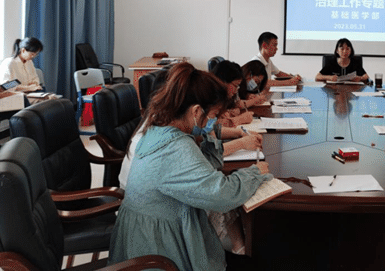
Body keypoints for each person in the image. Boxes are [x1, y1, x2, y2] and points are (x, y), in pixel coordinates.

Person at [109, 62, 271, 271]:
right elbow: (220, 195)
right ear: (196, 111)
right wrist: (255, 173)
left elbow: (205, 165)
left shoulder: (159, 128)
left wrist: (208, 133)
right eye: (212, 116)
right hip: (156, 253)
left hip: (145, 238)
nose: (213, 122)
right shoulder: (176, 147)